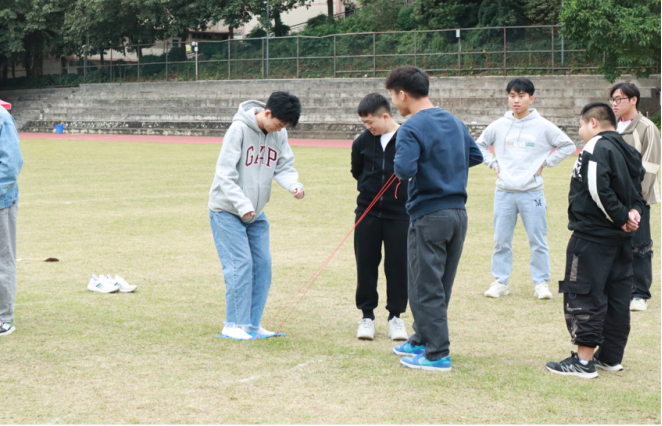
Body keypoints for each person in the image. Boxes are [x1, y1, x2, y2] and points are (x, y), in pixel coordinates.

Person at [387, 66, 483, 372]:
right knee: (439, 283)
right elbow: (476, 156)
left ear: (402, 94)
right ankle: (422, 339)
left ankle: (437, 353)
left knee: (424, 284)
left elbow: (404, 170)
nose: (394, 103)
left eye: (393, 96)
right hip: (458, 213)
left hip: (429, 214)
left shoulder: (411, 127)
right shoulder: (454, 121)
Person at [546, 102, 646, 379]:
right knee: (617, 296)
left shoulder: (595, 146)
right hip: (621, 240)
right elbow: (638, 192)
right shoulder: (628, 149)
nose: (580, 131)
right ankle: (611, 357)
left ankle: (583, 361)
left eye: (580, 125)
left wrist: (621, 217)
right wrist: (633, 213)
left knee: (582, 292)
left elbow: (597, 188)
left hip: (592, 237)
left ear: (593, 123)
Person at [209, 92, 305, 341]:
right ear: (267, 113)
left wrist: (294, 185)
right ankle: (232, 324)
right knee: (240, 265)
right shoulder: (238, 130)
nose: (280, 129)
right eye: (279, 124)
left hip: (256, 214)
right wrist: (242, 204)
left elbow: (283, 166)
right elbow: (224, 175)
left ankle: (252, 325)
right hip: (227, 210)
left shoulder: (279, 134)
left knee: (263, 265)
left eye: (284, 127)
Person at [477, 78, 576, 300]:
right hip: (504, 192)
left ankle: (541, 283)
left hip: (532, 193)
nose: (516, 100)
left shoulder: (543, 125)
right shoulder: (499, 125)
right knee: (501, 240)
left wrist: (546, 162)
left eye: (521, 96)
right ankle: (500, 282)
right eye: (512, 96)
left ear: (531, 98)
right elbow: (479, 145)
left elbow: (568, 145)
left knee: (538, 240)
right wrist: (493, 163)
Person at [351, 93, 409, 342]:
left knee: (398, 266)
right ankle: (367, 316)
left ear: (385, 116)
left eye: (370, 122)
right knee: (365, 264)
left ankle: (396, 316)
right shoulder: (362, 141)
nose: (367, 127)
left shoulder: (407, 138)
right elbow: (357, 171)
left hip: (401, 215)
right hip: (367, 213)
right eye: (364, 123)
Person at [609, 82, 661, 312]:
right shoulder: (611, 127)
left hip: (637, 199)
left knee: (639, 245)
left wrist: (637, 202)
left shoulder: (647, 128)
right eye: (613, 99)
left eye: (619, 99)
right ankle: (617, 288)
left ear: (633, 100)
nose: (614, 103)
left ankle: (639, 293)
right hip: (612, 198)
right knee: (612, 243)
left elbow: (650, 167)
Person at [0, 105, 23, 337]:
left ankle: (4, 319)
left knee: (2, 259)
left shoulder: (2, 118)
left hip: (1, 202)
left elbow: (11, 163)